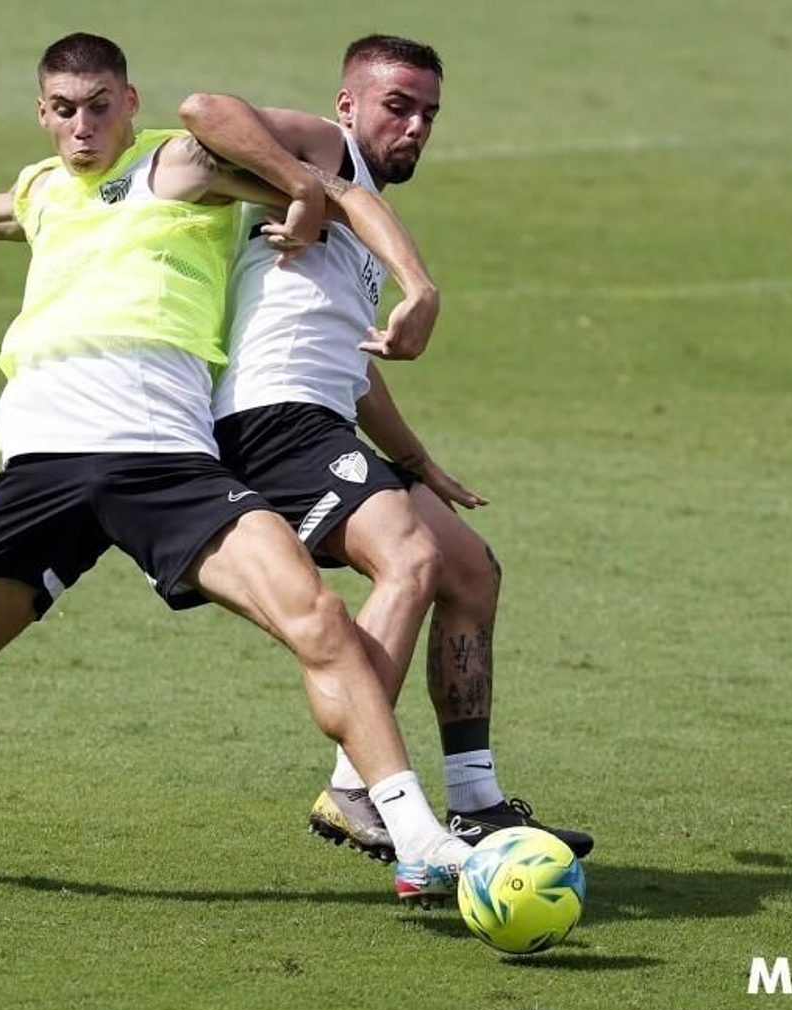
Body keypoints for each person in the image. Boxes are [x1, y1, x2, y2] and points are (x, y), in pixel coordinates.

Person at [0, 32, 473, 904]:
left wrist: (408, 279)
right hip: (42, 472)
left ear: (129, 103)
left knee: (319, 619)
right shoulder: (41, 190)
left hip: (166, 463)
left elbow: (343, 194)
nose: (83, 125)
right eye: (64, 109)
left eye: (101, 105)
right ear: (42, 113)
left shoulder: (178, 166)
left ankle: (420, 838)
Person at [178, 35, 594, 862]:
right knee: (407, 559)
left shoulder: (356, 208)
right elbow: (203, 111)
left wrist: (418, 461)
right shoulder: (329, 155)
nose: (414, 128)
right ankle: (353, 784)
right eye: (397, 106)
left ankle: (476, 802)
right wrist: (305, 183)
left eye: (429, 115)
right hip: (270, 420)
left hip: (321, 417)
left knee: (470, 567)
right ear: (348, 105)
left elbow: (355, 374)